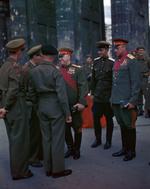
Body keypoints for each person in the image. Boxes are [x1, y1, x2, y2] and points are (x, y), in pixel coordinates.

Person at [29, 44, 72, 178]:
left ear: (42, 55)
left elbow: (31, 92)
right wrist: (67, 113)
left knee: (46, 139)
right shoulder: (56, 71)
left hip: (42, 106)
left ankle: (48, 168)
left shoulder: (34, 71)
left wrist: (37, 107)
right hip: (55, 107)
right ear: (53, 57)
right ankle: (57, 169)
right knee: (57, 139)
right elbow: (62, 95)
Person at [0, 38, 33, 180]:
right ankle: (21, 172)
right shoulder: (15, 68)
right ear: (18, 52)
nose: (22, 54)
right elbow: (13, 91)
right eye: (22, 52)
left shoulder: (3, 67)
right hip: (15, 107)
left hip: (6, 107)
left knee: (14, 139)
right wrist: (6, 107)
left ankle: (18, 170)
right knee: (20, 141)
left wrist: (2, 107)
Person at [111, 38, 141, 161]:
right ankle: (125, 148)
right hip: (117, 100)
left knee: (129, 125)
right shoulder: (117, 61)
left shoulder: (131, 61)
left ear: (124, 47)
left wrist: (133, 100)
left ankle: (131, 151)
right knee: (122, 124)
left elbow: (136, 82)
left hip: (127, 100)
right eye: (115, 47)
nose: (115, 50)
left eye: (117, 47)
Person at [58, 47, 89, 160]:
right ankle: (70, 148)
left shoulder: (77, 70)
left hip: (75, 105)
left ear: (69, 56)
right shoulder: (57, 70)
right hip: (62, 106)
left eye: (62, 56)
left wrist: (81, 102)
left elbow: (83, 87)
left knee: (77, 127)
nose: (60, 58)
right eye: (59, 57)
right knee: (66, 128)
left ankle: (77, 149)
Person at [90, 41, 114, 149]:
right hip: (98, 96)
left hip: (108, 96)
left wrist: (112, 97)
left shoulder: (112, 62)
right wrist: (92, 93)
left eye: (102, 50)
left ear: (107, 50)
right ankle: (98, 139)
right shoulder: (95, 62)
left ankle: (108, 140)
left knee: (109, 119)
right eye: (98, 50)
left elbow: (114, 81)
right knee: (96, 118)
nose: (99, 52)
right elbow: (93, 79)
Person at [23, 45, 43, 167]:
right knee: (33, 133)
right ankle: (32, 158)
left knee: (37, 132)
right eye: (41, 56)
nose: (42, 58)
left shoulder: (33, 67)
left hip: (34, 103)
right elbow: (26, 89)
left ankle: (38, 155)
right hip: (31, 105)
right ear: (35, 57)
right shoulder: (28, 69)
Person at [136, 46, 150, 117]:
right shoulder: (135, 60)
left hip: (145, 79)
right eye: (139, 51)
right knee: (138, 96)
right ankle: (140, 109)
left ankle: (147, 110)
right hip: (138, 79)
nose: (140, 52)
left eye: (141, 50)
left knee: (147, 95)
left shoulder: (147, 59)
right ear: (137, 52)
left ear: (144, 51)